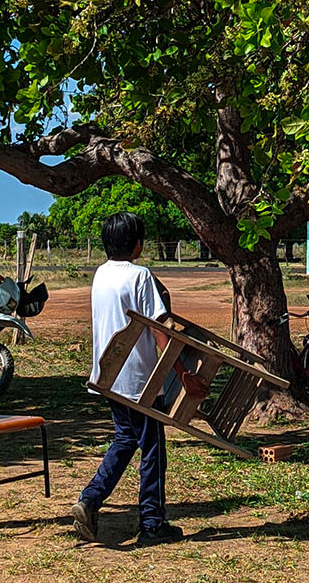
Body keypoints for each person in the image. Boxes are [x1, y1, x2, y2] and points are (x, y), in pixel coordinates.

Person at [71, 211, 208, 546]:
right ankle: (151, 523)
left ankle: (89, 499)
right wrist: (183, 374)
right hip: (141, 381)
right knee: (152, 449)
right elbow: (161, 332)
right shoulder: (140, 276)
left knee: (125, 439)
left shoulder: (101, 274)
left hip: (109, 376)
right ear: (136, 244)